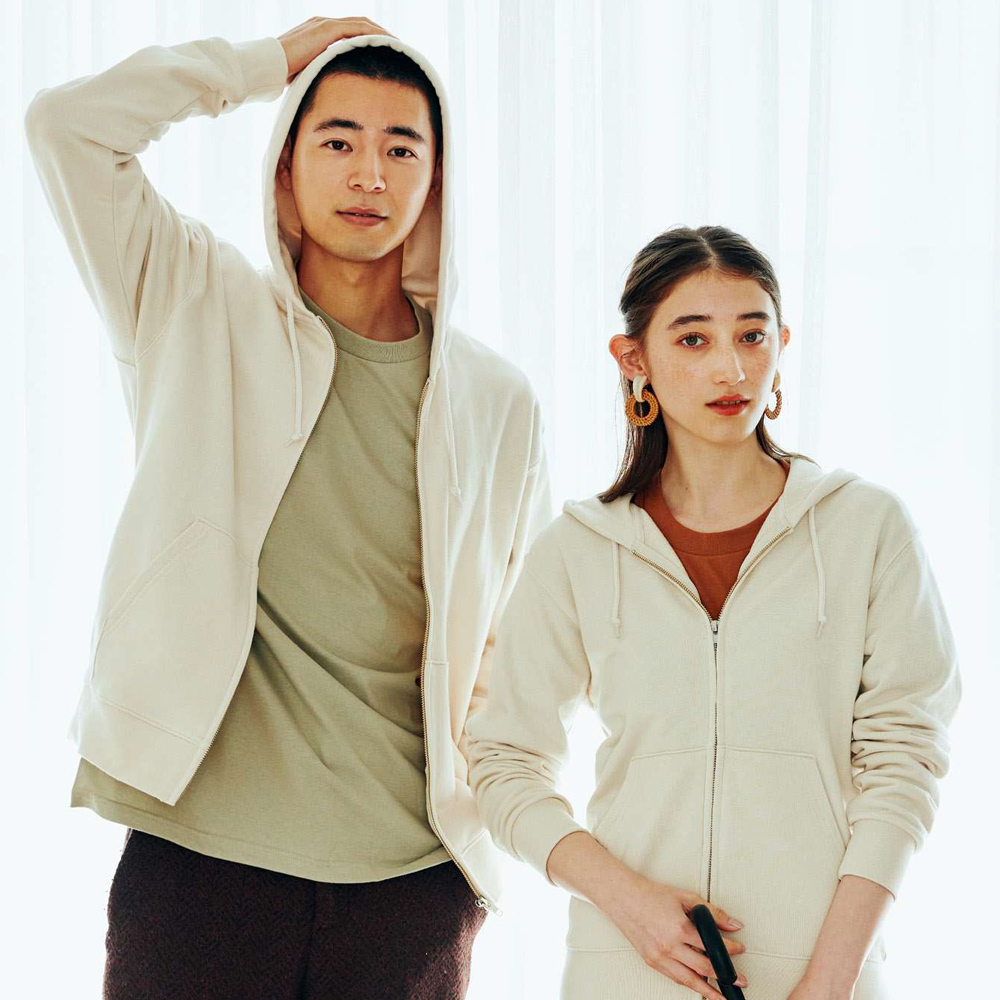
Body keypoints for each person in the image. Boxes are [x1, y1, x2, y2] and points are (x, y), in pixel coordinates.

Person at [24, 15, 552, 999]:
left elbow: (514, 647)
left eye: (401, 149)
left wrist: (477, 843)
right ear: (284, 167)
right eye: (338, 140)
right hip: (199, 861)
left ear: (436, 181)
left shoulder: (494, 401)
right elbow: (67, 126)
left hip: (410, 884)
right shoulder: (192, 301)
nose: (369, 174)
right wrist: (262, 63)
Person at [466, 225, 962, 1000]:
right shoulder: (578, 551)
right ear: (634, 360)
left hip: (821, 970)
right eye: (693, 339)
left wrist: (830, 979)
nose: (731, 368)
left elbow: (904, 759)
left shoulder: (867, 528)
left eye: (752, 335)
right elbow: (503, 762)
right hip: (627, 970)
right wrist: (627, 903)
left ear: (781, 346)